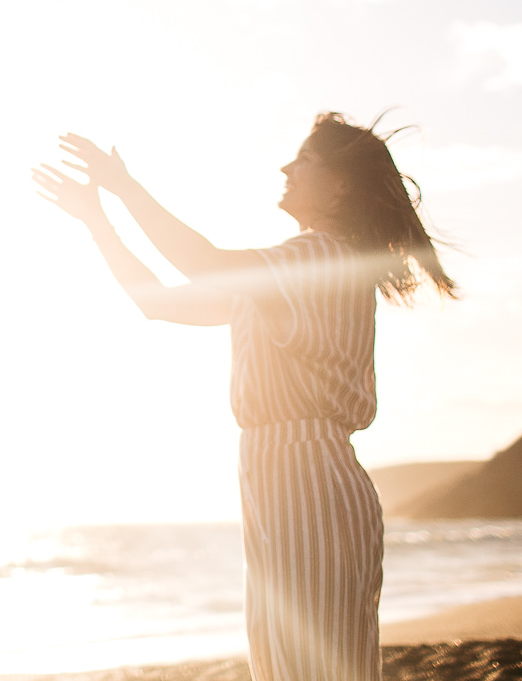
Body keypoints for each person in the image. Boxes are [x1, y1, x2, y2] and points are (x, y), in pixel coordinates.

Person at [35, 114, 455, 681]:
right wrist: (97, 220)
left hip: (304, 470)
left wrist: (124, 186)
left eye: (303, 159)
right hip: (280, 471)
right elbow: (156, 301)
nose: (286, 167)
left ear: (339, 185)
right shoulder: (292, 274)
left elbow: (203, 262)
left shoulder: (316, 258)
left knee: (312, 668)